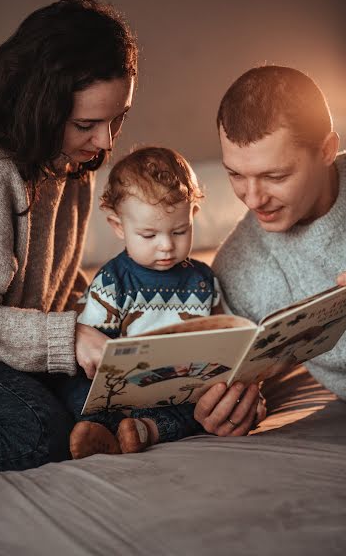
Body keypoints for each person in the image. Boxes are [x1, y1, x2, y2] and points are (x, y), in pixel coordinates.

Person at [0, 0, 260, 472]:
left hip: (17, 352)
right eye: (87, 124)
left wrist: (110, 329)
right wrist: (67, 336)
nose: (106, 143)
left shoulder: (72, 159)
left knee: (100, 405)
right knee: (39, 431)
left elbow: (55, 283)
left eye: (117, 118)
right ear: (40, 106)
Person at [196, 65, 346, 421]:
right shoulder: (237, 270)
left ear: (327, 150)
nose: (253, 199)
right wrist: (227, 409)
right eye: (236, 175)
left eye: (275, 176)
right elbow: (220, 379)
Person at [58, 146, 236, 458]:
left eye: (180, 231)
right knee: (74, 390)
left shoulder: (202, 279)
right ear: (118, 227)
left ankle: (145, 431)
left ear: (193, 214)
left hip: (177, 387)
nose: (167, 246)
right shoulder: (113, 281)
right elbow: (92, 351)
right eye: (149, 235)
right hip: (120, 387)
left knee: (206, 404)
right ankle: (99, 428)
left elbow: (225, 332)